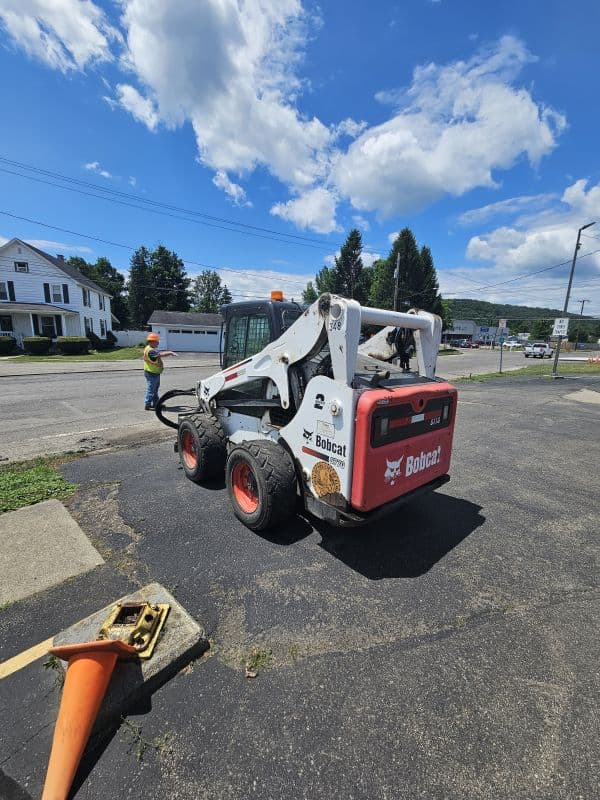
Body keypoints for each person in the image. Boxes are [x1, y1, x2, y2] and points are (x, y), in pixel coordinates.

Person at [143, 332, 177, 410]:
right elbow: (160, 354)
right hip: (152, 373)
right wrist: (170, 352)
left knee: (154, 389)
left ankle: (156, 404)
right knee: (151, 389)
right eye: (157, 342)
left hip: (153, 372)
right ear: (151, 341)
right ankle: (147, 405)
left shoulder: (149, 348)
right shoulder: (151, 351)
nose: (158, 343)